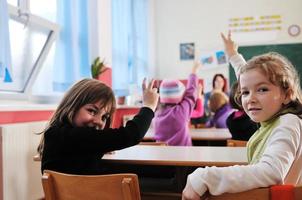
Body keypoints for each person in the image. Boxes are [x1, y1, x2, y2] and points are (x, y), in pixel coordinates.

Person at [182, 32, 302, 199]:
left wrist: (205, 176)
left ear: (287, 95)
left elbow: (271, 171)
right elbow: (247, 77)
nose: (250, 98)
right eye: (245, 92)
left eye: (262, 89)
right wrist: (233, 55)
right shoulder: (275, 118)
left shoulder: (288, 123)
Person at [37, 78, 159, 175]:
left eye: (104, 117)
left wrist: (102, 146)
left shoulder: (56, 134)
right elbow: (132, 134)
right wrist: (149, 106)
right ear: (72, 106)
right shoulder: (77, 137)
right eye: (92, 111)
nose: (99, 122)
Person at [153, 61, 201, 146]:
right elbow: (191, 91)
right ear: (180, 96)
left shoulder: (157, 115)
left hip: (162, 157)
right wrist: (194, 71)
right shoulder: (182, 111)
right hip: (183, 157)